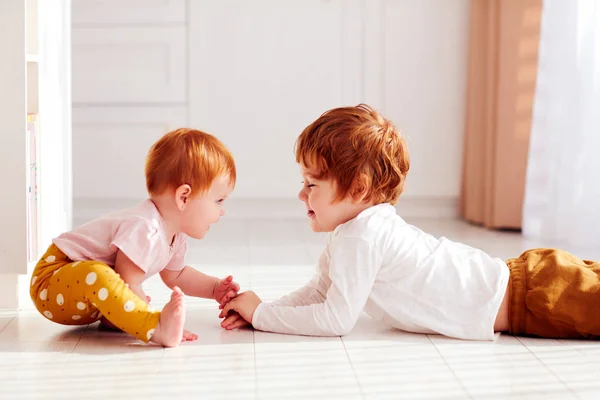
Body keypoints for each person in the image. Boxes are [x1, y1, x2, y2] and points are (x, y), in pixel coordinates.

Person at [220, 104, 600, 341]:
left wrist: (263, 314)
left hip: (535, 296)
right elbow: (319, 292)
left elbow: (336, 319)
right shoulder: (352, 233)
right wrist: (261, 313)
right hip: (529, 284)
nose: (301, 194)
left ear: (357, 187)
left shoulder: (363, 236)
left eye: (311, 184)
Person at [30, 128, 239, 347]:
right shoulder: (146, 227)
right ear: (184, 197)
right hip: (51, 280)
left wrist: (215, 288)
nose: (222, 211)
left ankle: (118, 318)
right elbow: (127, 279)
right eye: (219, 200)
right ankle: (156, 328)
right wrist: (144, 311)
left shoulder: (175, 235)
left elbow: (177, 276)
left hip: (87, 296)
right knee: (106, 277)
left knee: (123, 291)